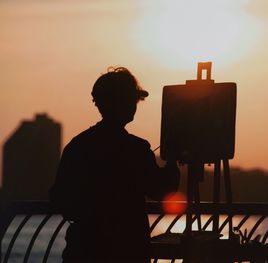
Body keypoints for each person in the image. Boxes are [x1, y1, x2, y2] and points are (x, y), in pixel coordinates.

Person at [49, 67, 180, 263]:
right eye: (132, 100)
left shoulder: (77, 146)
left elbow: (59, 198)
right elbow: (163, 190)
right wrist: (173, 159)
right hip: (127, 250)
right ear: (124, 102)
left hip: (83, 250)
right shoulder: (135, 149)